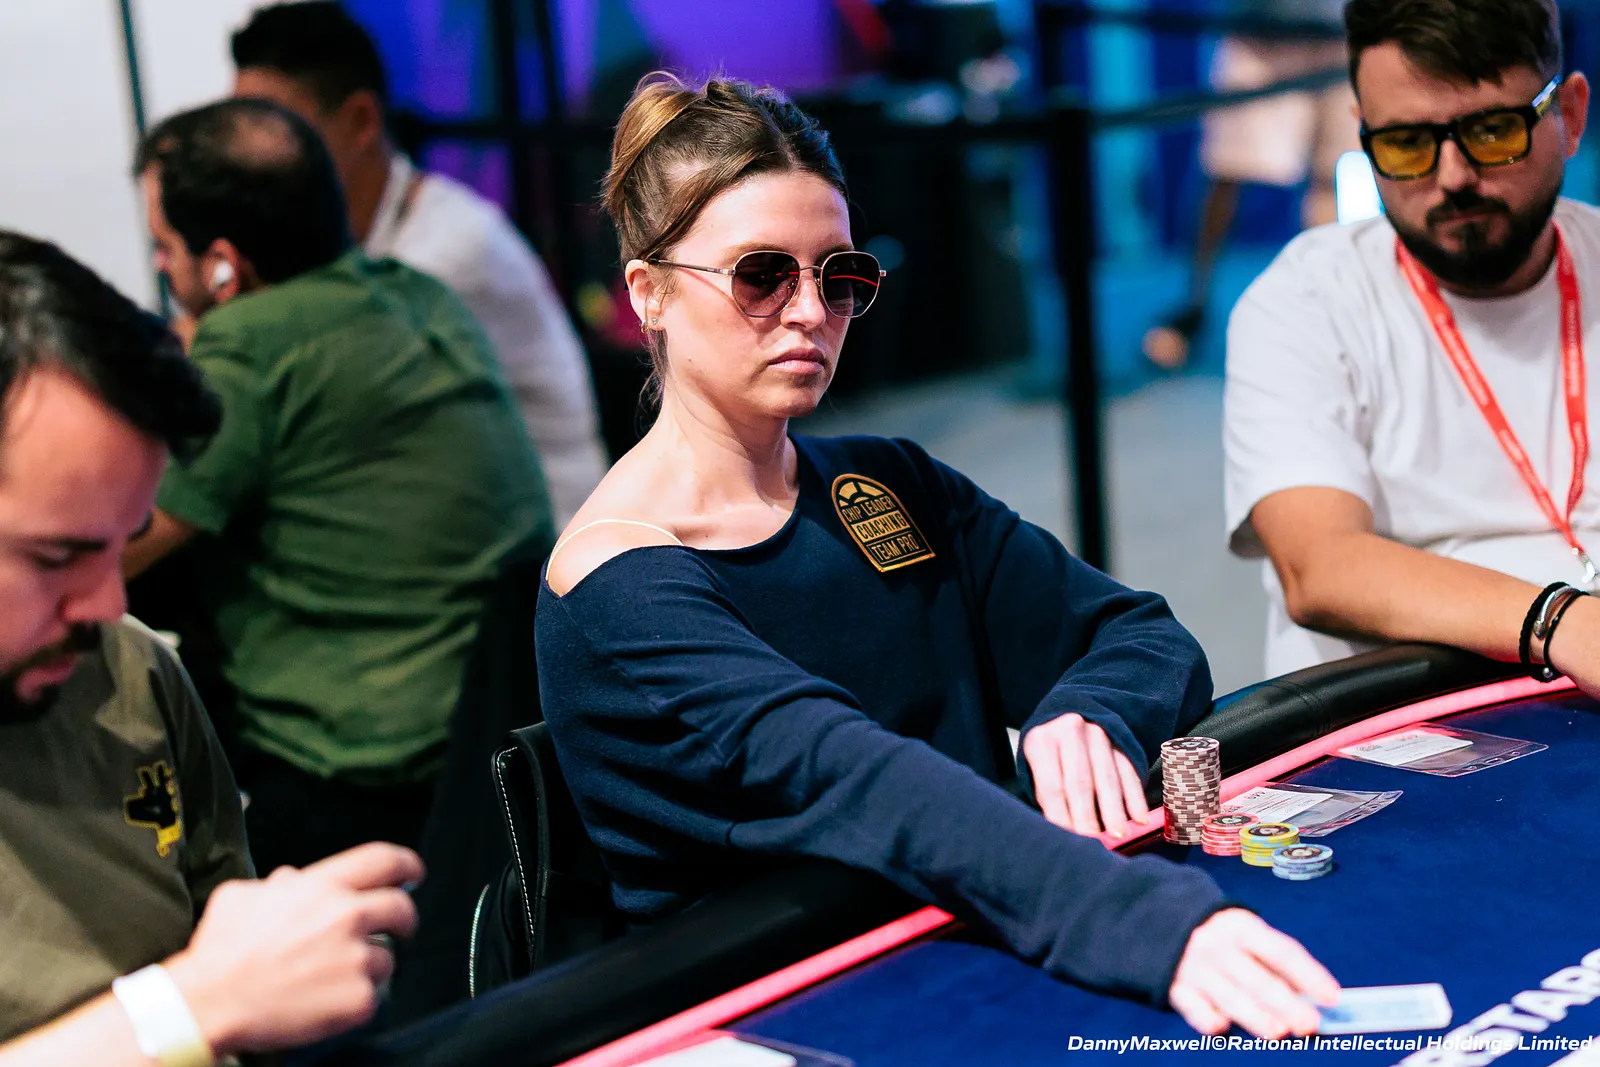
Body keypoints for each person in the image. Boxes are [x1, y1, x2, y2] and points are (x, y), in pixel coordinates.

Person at [537, 72, 1339, 1038]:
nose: (809, 310)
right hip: (795, 1011)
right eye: (762, 275)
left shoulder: (885, 482)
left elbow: (1142, 636)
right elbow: (849, 774)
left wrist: (1088, 712)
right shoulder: (617, 578)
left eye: (839, 275)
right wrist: (1149, 924)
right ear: (650, 293)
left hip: (981, 937)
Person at [0, 230, 421, 1064]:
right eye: (56, 556)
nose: (108, 605)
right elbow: (212, 991)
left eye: (123, 545)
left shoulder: (128, 672)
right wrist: (190, 1005)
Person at [125, 97, 552, 873]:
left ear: (221, 263)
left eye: (163, 246)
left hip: (362, 776)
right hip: (502, 733)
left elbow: (105, 540)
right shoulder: (417, 293)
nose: (157, 267)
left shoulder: (249, 350)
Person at [1224, 0, 1600, 684]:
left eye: (1492, 132)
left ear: (1569, 117)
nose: (1453, 177)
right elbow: (1319, 565)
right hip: (1397, 718)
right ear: (1364, 134)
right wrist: (1566, 623)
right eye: (1406, 145)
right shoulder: (1306, 300)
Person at [229, 0, 608, 527]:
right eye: (240, 131)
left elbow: (318, 403)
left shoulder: (451, 248)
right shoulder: (356, 240)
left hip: (550, 542)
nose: (245, 159)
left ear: (361, 121)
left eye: (272, 130)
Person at [1143, 0, 1356, 370]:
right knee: (1226, 170)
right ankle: (1194, 306)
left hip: (1340, 30)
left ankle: (1333, 314)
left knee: (1330, 178)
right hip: (1258, 32)